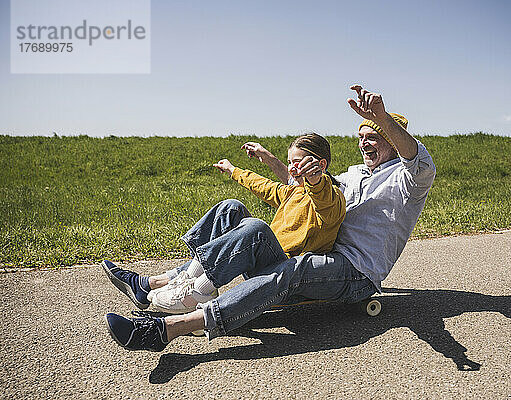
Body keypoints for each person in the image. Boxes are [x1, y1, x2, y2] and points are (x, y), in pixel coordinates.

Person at [103, 84, 436, 351]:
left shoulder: (409, 180)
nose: (364, 141)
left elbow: (415, 158)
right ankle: (157, 285)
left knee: (292, 264)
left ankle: (168, 329)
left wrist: (381, 116)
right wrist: (272, 162)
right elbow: (296, 189)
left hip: (355, 273)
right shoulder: (352, 175)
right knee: (234, 211)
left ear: (392, 139)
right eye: (362, 135)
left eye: (374, 135)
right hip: (321, 256)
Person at [102, 132, 345, 315]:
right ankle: (192, 285)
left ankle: (194, 292)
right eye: (290, 162)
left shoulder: (332, 198)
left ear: (320, 165)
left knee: (257, 229)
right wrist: (233, 170)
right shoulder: (295, 192)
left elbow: (323, 200)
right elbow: (263, 185)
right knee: (231, 207)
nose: (292, 169)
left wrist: (316, 181)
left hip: (284, 273)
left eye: (299, 162)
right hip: (263, 263)